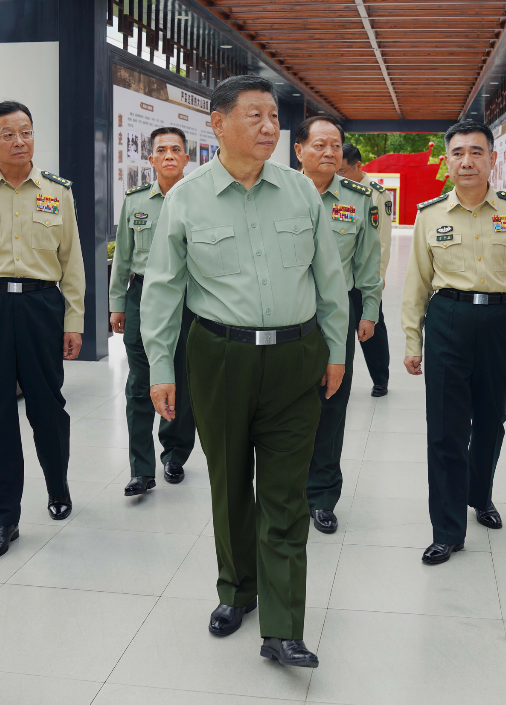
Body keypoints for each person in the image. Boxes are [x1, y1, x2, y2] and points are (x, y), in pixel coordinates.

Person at [140, 75, 349, 668]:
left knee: (285, 492)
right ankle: (237, 591)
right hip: (220, 356)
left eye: (273, 117)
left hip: (295, 357)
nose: (268, 127)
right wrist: (160, 367)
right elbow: (162, 289)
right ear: (218, 123)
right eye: (254, 115)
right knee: (229, 482)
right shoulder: (187, 197)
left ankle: (283, 626)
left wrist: (336, 350)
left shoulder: (301, 192)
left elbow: (329, 279)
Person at [401, 120, 506, 565]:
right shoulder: (430, 215)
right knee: (445, 427)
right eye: (458, 153)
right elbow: (416, 285)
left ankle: (479, 494)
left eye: (476, 152)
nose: (467, 161)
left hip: (501, 321)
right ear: (446, 161)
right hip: (447, 318)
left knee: (491, 419)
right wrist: (413, 341)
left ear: (492, 158)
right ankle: (447, 530)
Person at [0, 100, 85, 560]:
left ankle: (57, 485)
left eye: (26, 132)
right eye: (8, 134)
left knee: (49, 407)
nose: (20, 141)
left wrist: (73, 319)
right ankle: (4, 517)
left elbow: (72, 260)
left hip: (42, 306)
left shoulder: (57, 191)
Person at [295, 118, 382, 535]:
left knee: (332, 400)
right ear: (299, 150)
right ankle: (285, 490)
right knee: (286, 403)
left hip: (336, 314)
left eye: (335, 145)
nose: (329, 152)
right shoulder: (275, 191)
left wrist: (370, 310)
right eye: (319, 144)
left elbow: (368, 259)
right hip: (284, 313)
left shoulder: (358, 199)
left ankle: (322, 495)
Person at [109, 126, 197, 495]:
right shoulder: (135, 201)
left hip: (188, 298)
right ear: (151, 159)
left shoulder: (199, 199)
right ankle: (141, 469)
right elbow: (122, 256)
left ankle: (174, 454)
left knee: (181, 378)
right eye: (161, 150)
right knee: (139, 383)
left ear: (186, 158)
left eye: (176, 149)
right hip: (142, 296)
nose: (169, 155)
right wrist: (117, 303)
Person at [340, 141, 394, 396]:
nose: (338, 176)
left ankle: (380, 378)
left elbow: (382, 240)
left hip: (364, 276)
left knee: (372, 328)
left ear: (358, 166)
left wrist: (378, 276)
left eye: (342, 171)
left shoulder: (376, 194)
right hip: (339, 276)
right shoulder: (334, 189)